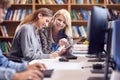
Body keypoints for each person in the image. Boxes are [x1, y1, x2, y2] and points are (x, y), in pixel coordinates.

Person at [0, 0, 46, 80]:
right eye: (1, 7)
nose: (5, 11)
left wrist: (26, 67)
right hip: (19, 61)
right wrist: (15, 76)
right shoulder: (26, 28)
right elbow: (28, 55)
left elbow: (3, 63)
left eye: (5, 8)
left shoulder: (36, 31)